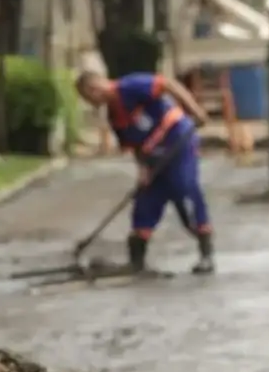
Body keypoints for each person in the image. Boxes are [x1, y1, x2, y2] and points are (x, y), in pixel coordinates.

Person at [76, 70, 215, 275]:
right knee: (146, 200)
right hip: (152, 157)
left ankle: (206, 254)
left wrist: (195, 111)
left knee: (184, 189)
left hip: (178, 143)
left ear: (94, 89)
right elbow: (133, 145)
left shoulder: (131, 86)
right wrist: (142, 170)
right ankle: (137, 261)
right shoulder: (114, 115)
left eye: (89, 98)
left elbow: (168, 84)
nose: (92, 104)